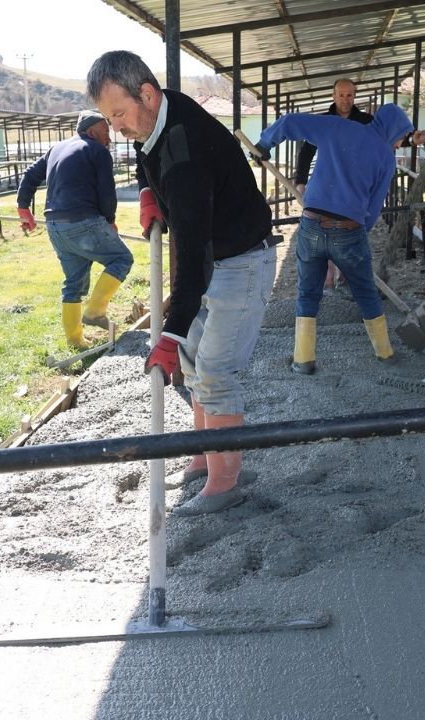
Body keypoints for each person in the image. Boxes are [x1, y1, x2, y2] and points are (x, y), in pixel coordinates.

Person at [88, 50, 276, 517]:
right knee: (193, 364)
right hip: (213, 254)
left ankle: (225, 483)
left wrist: (169, 332)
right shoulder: (155, 116)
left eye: (119, 115)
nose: (117, 129)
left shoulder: (184, 152)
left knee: (213, 371)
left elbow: (192, 254)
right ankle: (203, 457)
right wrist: (150, 192)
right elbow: (141, 153)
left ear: (146, 94)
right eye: (108, 118)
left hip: (241, 260)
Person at [253, 104, 423, 375]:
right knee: (366, 292)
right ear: (394, 129)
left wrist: (265, 143)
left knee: (308, 293)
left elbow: (289, 122)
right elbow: (374, 206)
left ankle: (303, 360)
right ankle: (385, 353)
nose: (401, 143)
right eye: (402, 137)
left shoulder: (338, 126)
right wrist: (357, 235)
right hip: (349, 229)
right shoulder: (386, 157)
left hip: (310, 225)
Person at [16, 110, 134, 350]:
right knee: (122, 259)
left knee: (73, 282)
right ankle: (95, 311)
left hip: (55, 226)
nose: (109, 140)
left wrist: (23, 208)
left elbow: (29, 175)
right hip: (83, 222)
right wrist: (109, 220)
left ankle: (74, 340)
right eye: (105, 133)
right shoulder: (97, 151)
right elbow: (106, 191)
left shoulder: (56, 149)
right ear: (91, 132)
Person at [292, 79, 374, 296]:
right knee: (323, 231)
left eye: (349, 95)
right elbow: (306, 152)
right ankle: (327, 281)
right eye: (341, 95)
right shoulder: (323, 122)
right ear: (333, 95)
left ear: (355, 96)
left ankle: (345, 280)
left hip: (353, 188)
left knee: (349, 232)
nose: (345, 100)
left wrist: (411, 140)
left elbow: (385, 142)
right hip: (326, 188)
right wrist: (300, 181)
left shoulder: (366, 121)